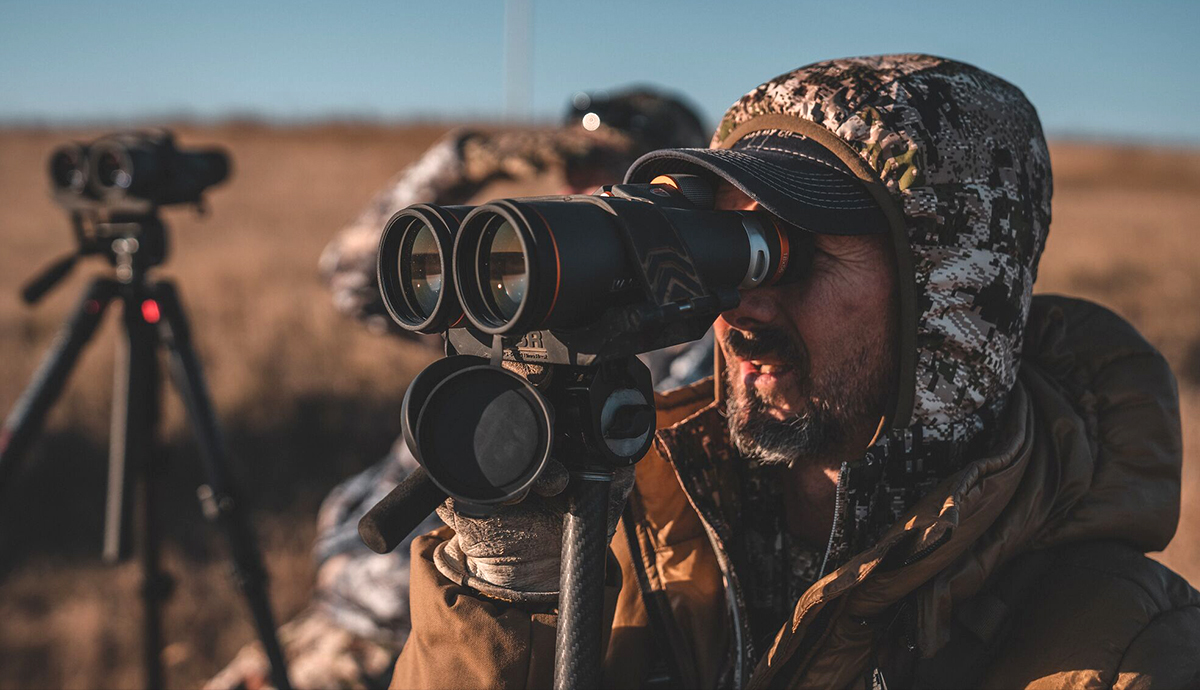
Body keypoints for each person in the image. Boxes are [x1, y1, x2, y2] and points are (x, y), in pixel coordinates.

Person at [390, 55, 1200, 689]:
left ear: (949, 293)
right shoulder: (645, 531)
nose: (742, 305)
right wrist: (505, 600)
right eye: (725, 251)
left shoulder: (1125, 656)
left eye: (790, 253)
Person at [205, 87, 711, 690]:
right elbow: (357, 278)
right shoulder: (510, 294)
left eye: (607, 169)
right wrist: (457, 164)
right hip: (333, 613)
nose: (580, 187)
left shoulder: (682, 334)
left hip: (454, 639)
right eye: (573, 165)